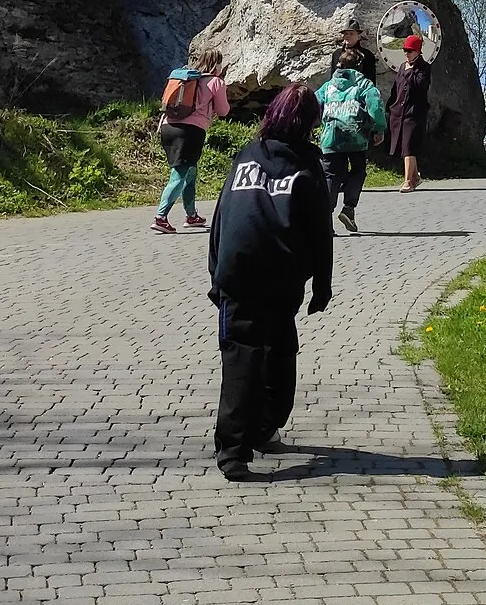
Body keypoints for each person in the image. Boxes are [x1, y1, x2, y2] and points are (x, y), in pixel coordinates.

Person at [206, 84, 332, 478]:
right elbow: (320, 232)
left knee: (244, 356)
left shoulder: (244, 157)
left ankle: (238, 446)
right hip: (279, 276)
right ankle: (249, 438)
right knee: (272, 353)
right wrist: (322, 285)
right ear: (310, 124)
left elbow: (221, 217)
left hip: (237, 274)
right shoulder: (308, 167)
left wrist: (216, 274)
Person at [151, 48, 228, 233]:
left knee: (190, 171)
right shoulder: (215, 81)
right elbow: (224, 110)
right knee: (179, 174)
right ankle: (161, 217)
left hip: (168, 127)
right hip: (190, 131)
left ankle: (191, 215)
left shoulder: (187, 79)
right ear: (217, 63)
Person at [317, 28, 386, 234]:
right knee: (357, 171)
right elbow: (375, 106)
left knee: (331, 176)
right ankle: (348, 208)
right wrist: (379, 128)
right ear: (358, 66)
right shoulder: (364, 84)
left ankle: (324, 221)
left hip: (331, 138)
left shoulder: (328, 86)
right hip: (356, 137)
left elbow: (313, 103)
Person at [385, 27, 433, 193]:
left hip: (415, 112)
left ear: (418, 51)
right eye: (405, 50)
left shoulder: (424, 68)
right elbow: (395, 88)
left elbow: (420, 86)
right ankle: (415, 177)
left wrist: (410, 72)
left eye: (410, 51)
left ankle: (407, 182)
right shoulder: (401, 67)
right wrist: (390, 105)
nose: (407, 54)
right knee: (404, 145)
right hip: (399, 112)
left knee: (408, 146)